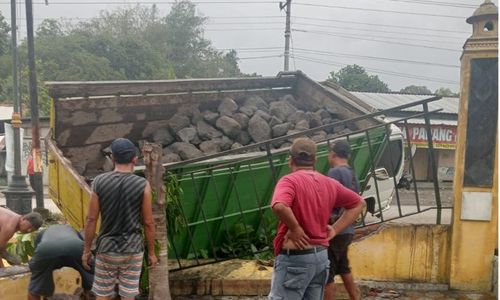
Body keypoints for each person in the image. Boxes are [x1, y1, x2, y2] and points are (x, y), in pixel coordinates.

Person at [268, 137, 365, 300]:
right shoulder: (328, 182)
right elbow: (358, 203)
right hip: (320, 257)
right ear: (315, 160)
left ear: (290, 160)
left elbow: (279, 206)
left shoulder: (289, 181)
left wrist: (296, 228)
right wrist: (334, 229)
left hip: (295, 259)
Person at [82, 138, 158, 300]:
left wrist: (87, 250)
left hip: (106, 249)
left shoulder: (99, 182)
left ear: (113, 158)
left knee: (102, 294)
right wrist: (151, 253)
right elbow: (148, 223)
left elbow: (91, 219)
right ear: (134, 159)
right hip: (132, 249)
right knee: (128, 295)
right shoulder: (142, 184)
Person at [324, 140, 361, 300]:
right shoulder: (352, 173)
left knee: (327, 273)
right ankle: (355, 297)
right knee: (343, 267)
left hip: (335, 230)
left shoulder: (334, 173)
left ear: (333, 154)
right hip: (347, 229)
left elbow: (327, 202)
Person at [28, 224, 94, 300]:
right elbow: (84, 246)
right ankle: (92, 293)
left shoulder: (43, 233)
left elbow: (36, 255)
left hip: (47, 249)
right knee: (92, 278)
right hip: (75, 246)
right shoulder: (72, 229)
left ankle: (35, 291)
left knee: (35, 288)